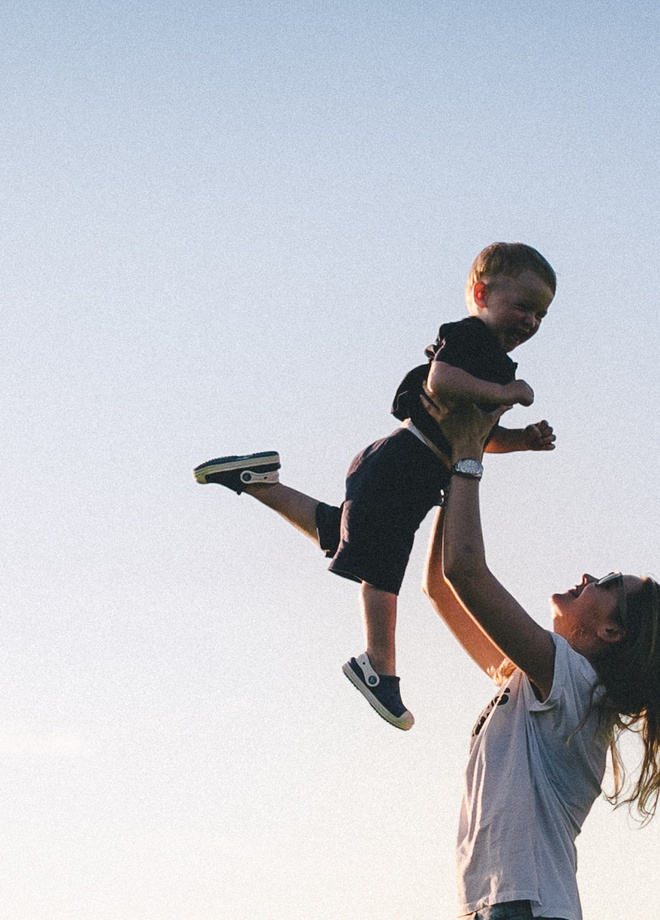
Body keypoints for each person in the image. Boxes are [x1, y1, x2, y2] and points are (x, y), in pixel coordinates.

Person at [192, 243, 559, 731]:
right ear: (481, 294)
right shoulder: (472, 338)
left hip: (412, 470)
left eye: (541, 315)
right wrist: (504, 393)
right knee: (381, 561)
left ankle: (256, 481)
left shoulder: (494, 361)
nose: (531, 322)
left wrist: (521, 442)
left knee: (342, 533)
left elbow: (477, 436)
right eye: (522, 306)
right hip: (403, 464)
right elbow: (442, 380)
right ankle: (377, 665)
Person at [419, 394, 660, 920]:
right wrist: (450, 457)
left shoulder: (571, 684)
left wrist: (470, 452)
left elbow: (468, 572)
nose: (586, 576)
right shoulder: (535, 682)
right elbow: (442, 586)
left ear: (611, 632)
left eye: (604, 584)